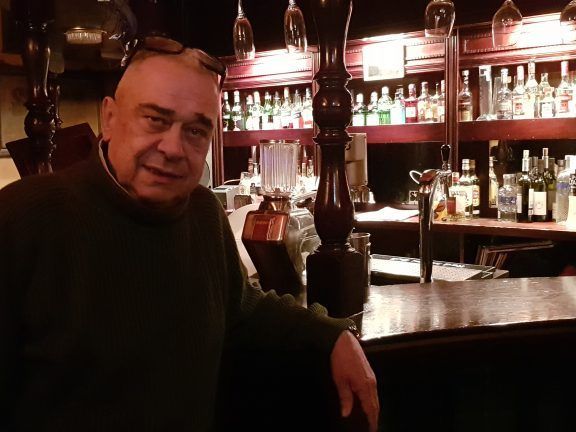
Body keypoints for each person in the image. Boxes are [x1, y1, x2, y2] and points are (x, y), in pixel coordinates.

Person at [0, 36, 379, 431]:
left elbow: (244, 306)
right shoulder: (26, 217)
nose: (173, 148)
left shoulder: (202, 213)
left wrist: (333, 335)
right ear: (108, 118)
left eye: (195, 131)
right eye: (155, 119)